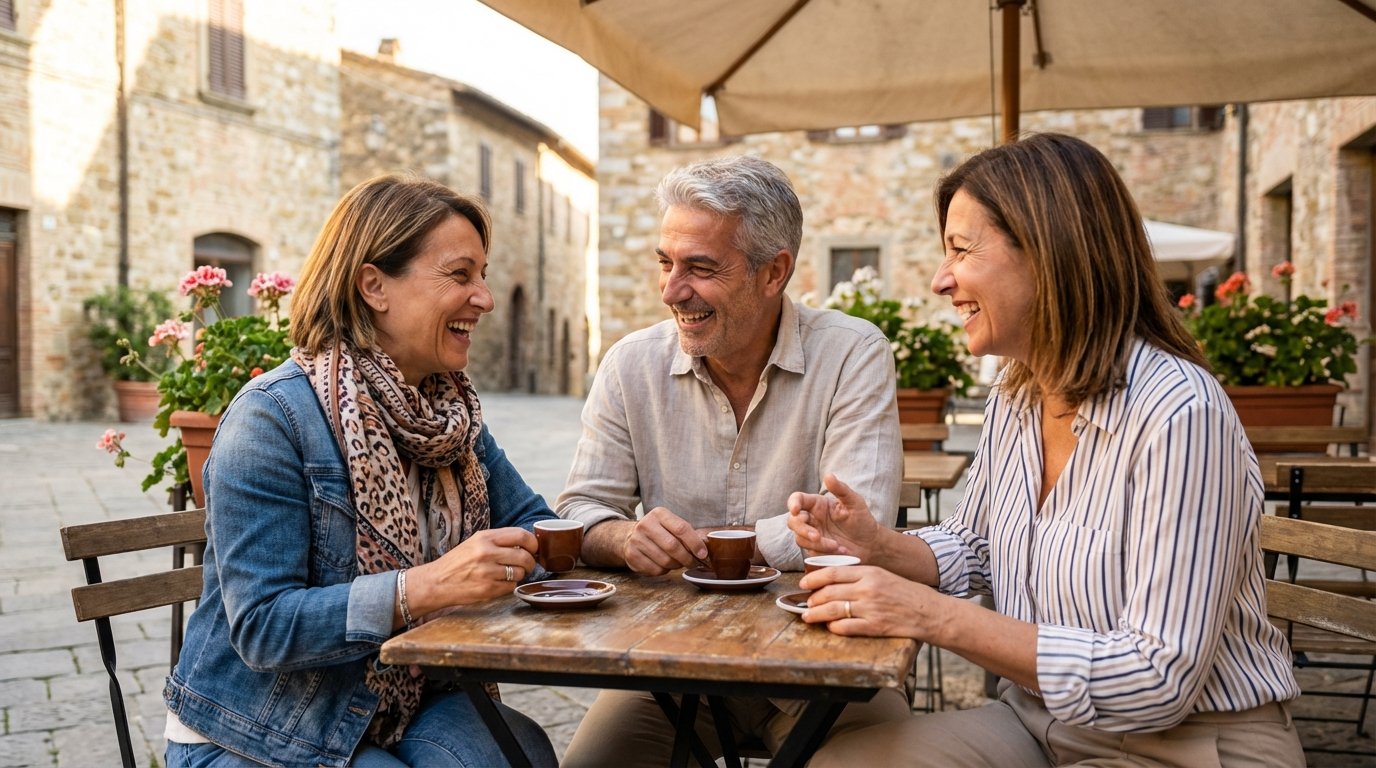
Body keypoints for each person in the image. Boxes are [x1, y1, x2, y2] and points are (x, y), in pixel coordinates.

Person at [788, 132, 1305, 767]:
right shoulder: (1017, 395)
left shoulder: (1180, 414)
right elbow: (976, 545)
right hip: (1038, 724)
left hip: (1186, 745)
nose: (941, 279)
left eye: (961, 249)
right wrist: (879, 547)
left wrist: (928, 615)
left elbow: (1159, 677)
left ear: (1048, 251)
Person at [162, 175, 559, 767]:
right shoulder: (272, 418)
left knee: (518, 754)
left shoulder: (446, 416)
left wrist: (617, 537)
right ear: (374, 286)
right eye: (460, 275)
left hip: (405, 697)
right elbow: (263, 627)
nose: (485, 298)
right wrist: (424, 589)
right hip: (260, 723)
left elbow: (533, 521)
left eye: (483, 275)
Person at [558, 154, 909, 767]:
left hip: (827, 656)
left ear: (774, 273)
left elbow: (857, 529)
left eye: (700, 268)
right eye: (665, 263)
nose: (672, 290)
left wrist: (711, 546)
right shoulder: (630, 364)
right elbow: (581, 508)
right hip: (673, 665)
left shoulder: (853, 353)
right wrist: (624, 538)